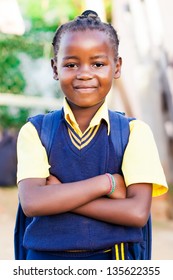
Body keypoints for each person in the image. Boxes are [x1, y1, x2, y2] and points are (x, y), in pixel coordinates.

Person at [16, 10, 168, 260]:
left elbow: (137, 213)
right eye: (71, 64)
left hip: (113, 262)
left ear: (116, 66)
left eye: (98, 64)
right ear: (55, 68)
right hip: (44, 263)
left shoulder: (133, 133)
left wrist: (58, 194)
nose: (84, 73)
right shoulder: (36, 131)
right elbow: (33, 203)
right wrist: (107, 183)